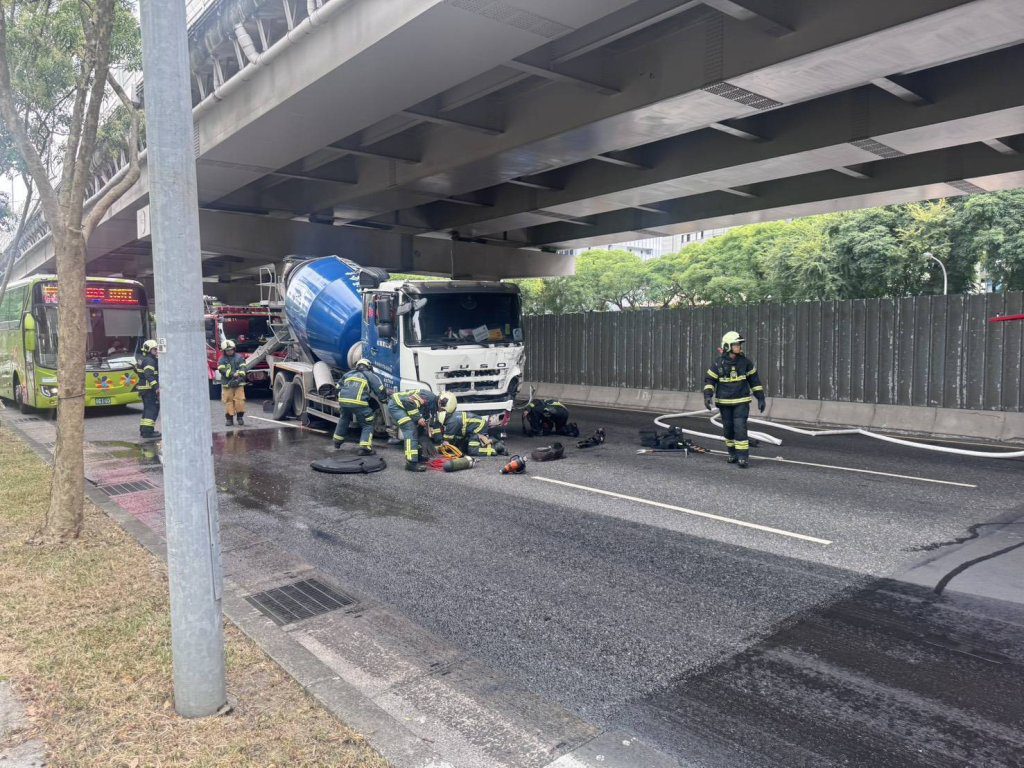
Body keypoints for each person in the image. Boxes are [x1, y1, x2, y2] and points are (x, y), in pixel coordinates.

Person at [703, 331, 766, 468]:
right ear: (727, 346)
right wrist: (707, 395)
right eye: (736, 344)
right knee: (728, 430)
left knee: (740, 428)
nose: (739, 347)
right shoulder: (718, 363)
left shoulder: (745, 363)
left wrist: (760, 398)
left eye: (739, 344)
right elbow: (710, 380)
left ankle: (743, 457)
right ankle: (732, 453)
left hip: (741, 402)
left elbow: (754, 381)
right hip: (724, 403)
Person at [333, 358, 387, 455]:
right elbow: (380, 389)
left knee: (344, 419)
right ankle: (365, 448)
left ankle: (337, 442)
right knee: (368, 422)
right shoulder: (370, 375)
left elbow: (337, 388)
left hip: (344, 402)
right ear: (369, 367)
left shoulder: (348, 374)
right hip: (359, 403)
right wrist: (384, 400)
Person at [432, 393, 504, 457]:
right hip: (476, 426)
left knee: (472, 450)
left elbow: (447, 442)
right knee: (463, 448)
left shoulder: (451, 423)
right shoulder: (450, 417)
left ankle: (494, 449)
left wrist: (439, 447)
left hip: (478, 428)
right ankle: (494, 441)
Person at [387, 388, 437, 472]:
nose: (441, 411)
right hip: (396, 406)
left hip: (403, 406)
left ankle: (417, 456)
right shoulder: (427, 398)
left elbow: (425, 413)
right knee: (410, 429)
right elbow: (409, 402)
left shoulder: (432, 402)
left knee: (418, 430)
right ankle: (411, 463)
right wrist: (418, 418)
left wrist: (425, 425)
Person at [217, 340, 248, 426]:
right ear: (224, 351)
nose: (229, 351)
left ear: (234, 349)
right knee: (228, 401)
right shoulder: (222, 360)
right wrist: (232, 374)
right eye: (227, 350)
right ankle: (229, 419)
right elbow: (222, 370)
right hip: (227, 384)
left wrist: (240, 374)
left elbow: (243, 367)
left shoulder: (239, 357)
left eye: (231, 349)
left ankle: (240, 417)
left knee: (240, 400)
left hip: (239, 383)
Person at [136, 339, 160, 439]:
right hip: (149, 389)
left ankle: (143, 429)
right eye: (154, 349)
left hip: (144, 389)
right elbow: (149, 375)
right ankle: (148, 432)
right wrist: (156, 387)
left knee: (147, 409)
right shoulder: (150, 361)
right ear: (149, 349)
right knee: (152, 409)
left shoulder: (144, 358)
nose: (156, 351)